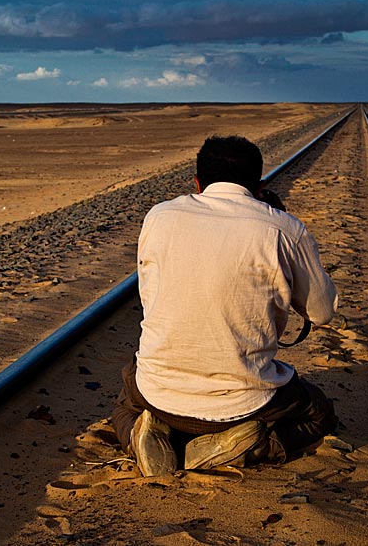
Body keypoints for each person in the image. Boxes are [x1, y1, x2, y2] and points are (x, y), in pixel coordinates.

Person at [112, 135, 340, 476]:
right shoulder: (284, 229)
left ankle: (138, 434)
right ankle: (253, 446)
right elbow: (322, 313)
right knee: (320, 413)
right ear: (259, 186)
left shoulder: (159, 216)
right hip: (246, 404)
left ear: (198, 183)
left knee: (123, 404)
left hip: (159, 394)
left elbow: (150, 298)